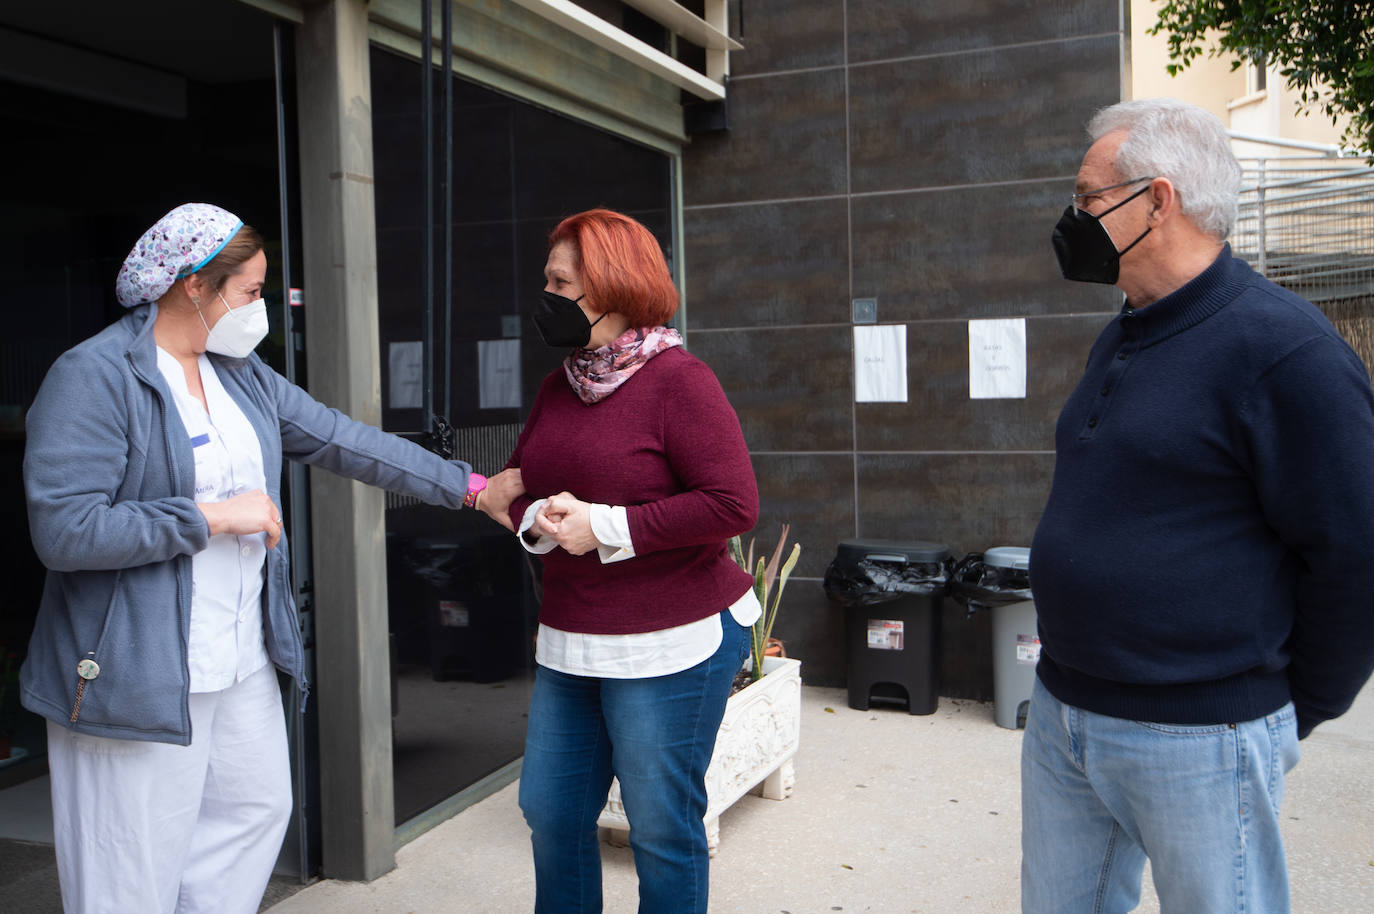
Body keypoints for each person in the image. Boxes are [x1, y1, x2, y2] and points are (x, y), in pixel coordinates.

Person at [20, 203, 517, 914]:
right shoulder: (95, 376)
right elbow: (67, 532)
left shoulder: (238, 372)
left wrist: (469, 488)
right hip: (135, 666)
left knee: (253, 813)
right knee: (128, 865)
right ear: (194, 285)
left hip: (238, 654)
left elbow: (341, 438)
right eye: (250, 291)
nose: (260, 307)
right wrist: (211, 517)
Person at [1024, 98, 1374, 913]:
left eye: (1087, 197)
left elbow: (1356, 553)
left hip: (1202, 735)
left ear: (1158, 201)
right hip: (1064, 714)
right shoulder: (1124, 332)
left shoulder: (1286, 350)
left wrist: (1286, 709)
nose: (1072, 218)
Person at [476, 208, 759, 913]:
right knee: (551, 811)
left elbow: (732, 504)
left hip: (671, 642)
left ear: (610, 286)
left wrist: (606, 527)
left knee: (659, 828)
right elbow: (519, 486)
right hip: (572, 639)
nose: (544, 295)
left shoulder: (680, 381)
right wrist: (537, 519)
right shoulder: (558, 386)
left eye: (558, 282)